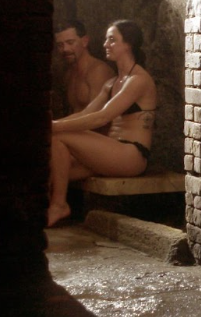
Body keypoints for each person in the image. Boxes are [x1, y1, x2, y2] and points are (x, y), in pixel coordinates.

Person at [47, 20, 158, 226]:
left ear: (128, 45)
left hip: (131, 155)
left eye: (112, 40)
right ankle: (47, 209)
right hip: (111, 153)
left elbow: (102, 118)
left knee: (58, 135)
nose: (106, 44)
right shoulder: (112, 82)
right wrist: (51, 124)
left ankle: (59, 206)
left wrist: (53, 127)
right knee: (53, 172)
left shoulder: (139, 80)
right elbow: (87, 113)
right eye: (107, 39)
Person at [53, 19, 116, 118]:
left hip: (97, 132)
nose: (65, 49)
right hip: (75, 130)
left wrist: (56, 127)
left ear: (84, 41)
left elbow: (96, 118)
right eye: (60, 45)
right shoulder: (69, 73)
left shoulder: (98, 71)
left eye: (70, 42)